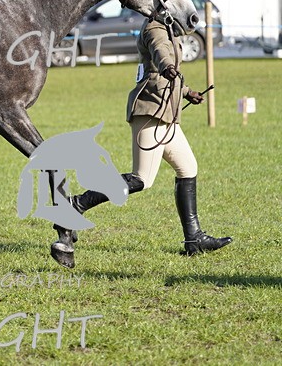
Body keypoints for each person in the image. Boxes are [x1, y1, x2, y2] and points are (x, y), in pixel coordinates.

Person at [69, 17, 232, 256]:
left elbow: (161, 72)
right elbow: (160, 54)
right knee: (141, 179)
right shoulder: (155, 29)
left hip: (166, 113)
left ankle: (194, 239)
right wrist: (168, 66)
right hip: (150, 111)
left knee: (188, 168)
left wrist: (187, 92)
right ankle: (77, 204)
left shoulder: (169, 28)